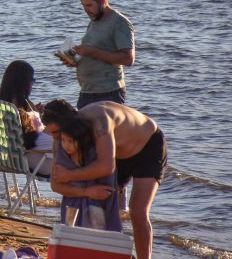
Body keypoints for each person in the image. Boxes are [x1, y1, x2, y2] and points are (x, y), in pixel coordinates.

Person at [42, 100, 165, 259]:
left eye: (56, 133)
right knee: (98, 200)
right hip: (115, 154)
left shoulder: (99, 121)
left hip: (147, 145)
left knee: (138, 210)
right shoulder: (64, 136)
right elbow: (55, 183)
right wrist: (85, 191)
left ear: (68, 124)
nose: (56, 139)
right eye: (52, 134)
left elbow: (106, 166)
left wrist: (69, 175)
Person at [58, 0, 134, 108]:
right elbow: (94, 52)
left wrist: (90, 51)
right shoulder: (94, 20)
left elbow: (128, 59)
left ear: (103, 1)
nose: (86, 10)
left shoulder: (120, 23)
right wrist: (74, 60)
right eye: (83, 6)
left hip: (108, 93)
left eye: (89, 5)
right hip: (87, 91)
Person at [52, 114, 122, 232]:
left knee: (95, 235)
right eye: (63, 140)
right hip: (71, 205)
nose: (66, 145)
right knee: (71, 234)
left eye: (71, 141)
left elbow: (107, 185)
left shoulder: (94, 157)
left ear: (81, 140)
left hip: (95, 206)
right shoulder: (63, 158)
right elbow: (56, 185)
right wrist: (86, 191)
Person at [0, 60, 52, 176]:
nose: (33, 84)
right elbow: (30, 138)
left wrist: (33, 114)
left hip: (7, 157)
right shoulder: (18, 105)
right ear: (23, 82)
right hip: (30, 161)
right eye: (32, 80)